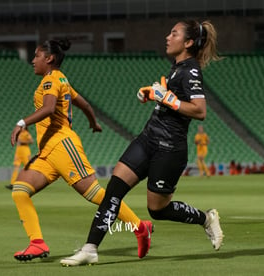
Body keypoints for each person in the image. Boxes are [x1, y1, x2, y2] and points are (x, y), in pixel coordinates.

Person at [61, 19, 224, 266]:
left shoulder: (191, 70)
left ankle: (205, 218)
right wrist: (152, 93)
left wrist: (167, 98)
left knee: (157, 210)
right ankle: (90, 248)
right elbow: (171, 101)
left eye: (174, 33)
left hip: (170, 148)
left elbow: (199, 110)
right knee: (113, 190)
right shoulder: (176, 67)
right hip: (148, 139)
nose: (168, 37)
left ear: (188, 42)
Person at [9, 38, 152, 262]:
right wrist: (93, 122)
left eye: (37, 56)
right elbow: (84, 104)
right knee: (19, 190)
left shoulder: (50, 82)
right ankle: (37, 243)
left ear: (49, 58)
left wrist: (22, 123)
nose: (33, 60)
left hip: (63, 146)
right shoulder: (60, 79)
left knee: (96, 194)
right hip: (47, 152)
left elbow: (47, 109)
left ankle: (140, 227)